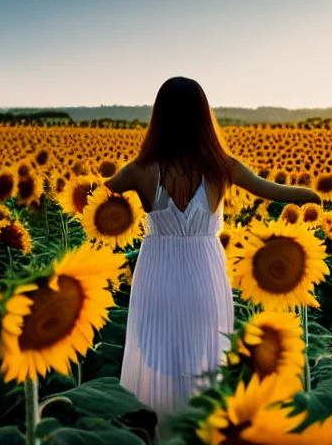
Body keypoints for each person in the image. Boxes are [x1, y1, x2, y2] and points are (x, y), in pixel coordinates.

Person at [102, 77, 320, 427]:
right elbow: (273, 191)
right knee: (205, 362)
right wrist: (310, 196)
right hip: (205, 277)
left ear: (159, 117)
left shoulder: (140, 171)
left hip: (156, 278)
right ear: (203, 117)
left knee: (157, 360)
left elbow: (94, 198)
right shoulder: (222, 168)